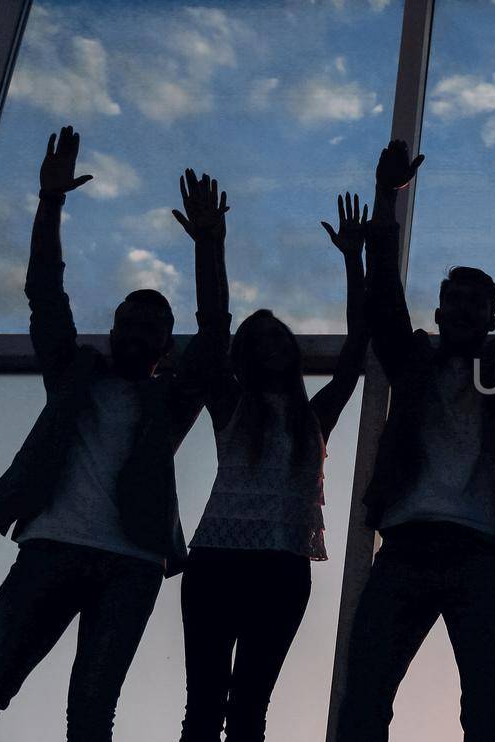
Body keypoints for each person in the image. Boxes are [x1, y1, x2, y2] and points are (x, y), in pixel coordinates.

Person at [0, 127, 214, 742]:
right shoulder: (73, 375)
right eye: (129, 320)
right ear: (113, 328)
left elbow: (215, 337)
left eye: (153, 326)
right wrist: (51, 202)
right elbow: (44, 294)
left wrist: (208, 248)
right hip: (52, 546)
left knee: (89, 718)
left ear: (167, 346)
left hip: (132, 561)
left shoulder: (169, 401)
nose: (138, 331)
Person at [334, 131, 495, 742]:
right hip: (407, 546)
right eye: (451, 300)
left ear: (490, 317)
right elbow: (383, 294)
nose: (460, 310)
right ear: (437, 314)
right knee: (365, 701)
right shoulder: (412, 365)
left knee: (488, 711)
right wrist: (387, 197)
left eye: (474, 303)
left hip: (480, 551)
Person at [176, 185, 369, 741]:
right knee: (204, 706)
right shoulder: (232, 405)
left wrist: (353, 260)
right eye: (257, 340)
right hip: (217, 562)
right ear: (245, 354)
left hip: (283, 567)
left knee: (250, 709)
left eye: (277, 337)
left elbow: (358, 346)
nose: (270, 345)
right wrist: (210, 244)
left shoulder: (313, 419)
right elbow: (213, 326)